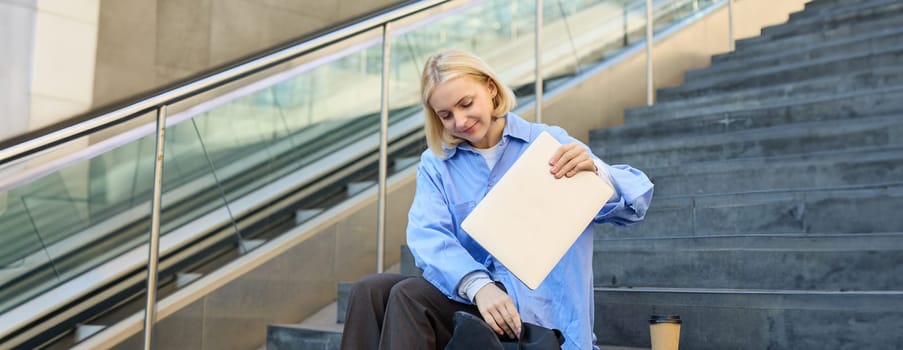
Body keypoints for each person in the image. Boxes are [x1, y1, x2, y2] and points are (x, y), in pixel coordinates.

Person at [340, 49, 654, 350]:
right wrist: (480, 286)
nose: (460, 121)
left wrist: (597, 172)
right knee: (370, 291)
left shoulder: (545, 144)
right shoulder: (437, 164)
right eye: (446, 115)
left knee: (409, 295)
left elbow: (636, 200)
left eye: (466, 103)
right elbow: (427, 235)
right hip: (478, 305)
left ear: (490, 88)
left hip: (539, 319)